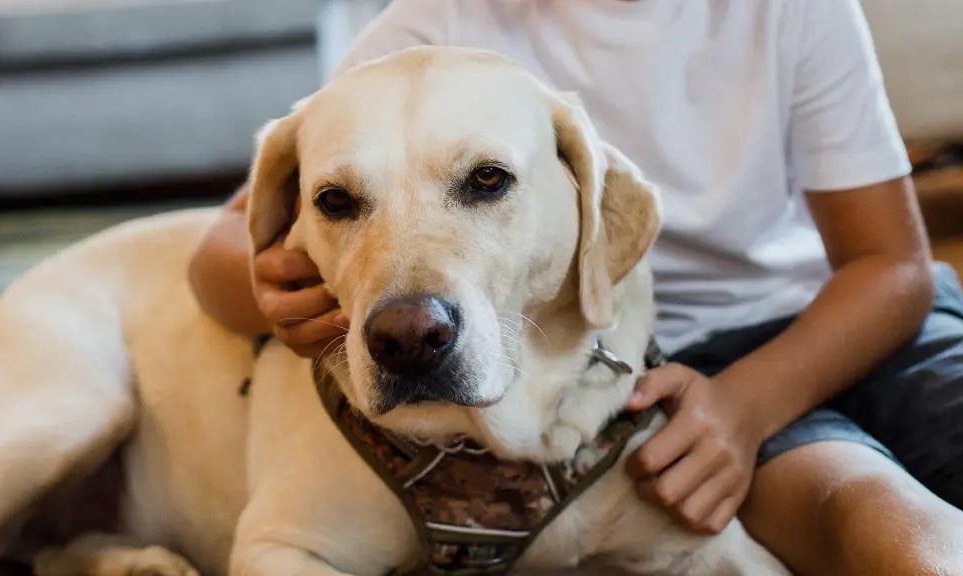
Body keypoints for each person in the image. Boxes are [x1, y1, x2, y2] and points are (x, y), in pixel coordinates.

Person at [188, 1, 963, 573]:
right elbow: (222, 249)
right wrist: (276, 295)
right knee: (879, 517)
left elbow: (894, 268)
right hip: (674, 366)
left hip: (841, 321)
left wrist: (749, 405)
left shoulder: (793, 9)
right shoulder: (429, 29)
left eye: (485, 180)